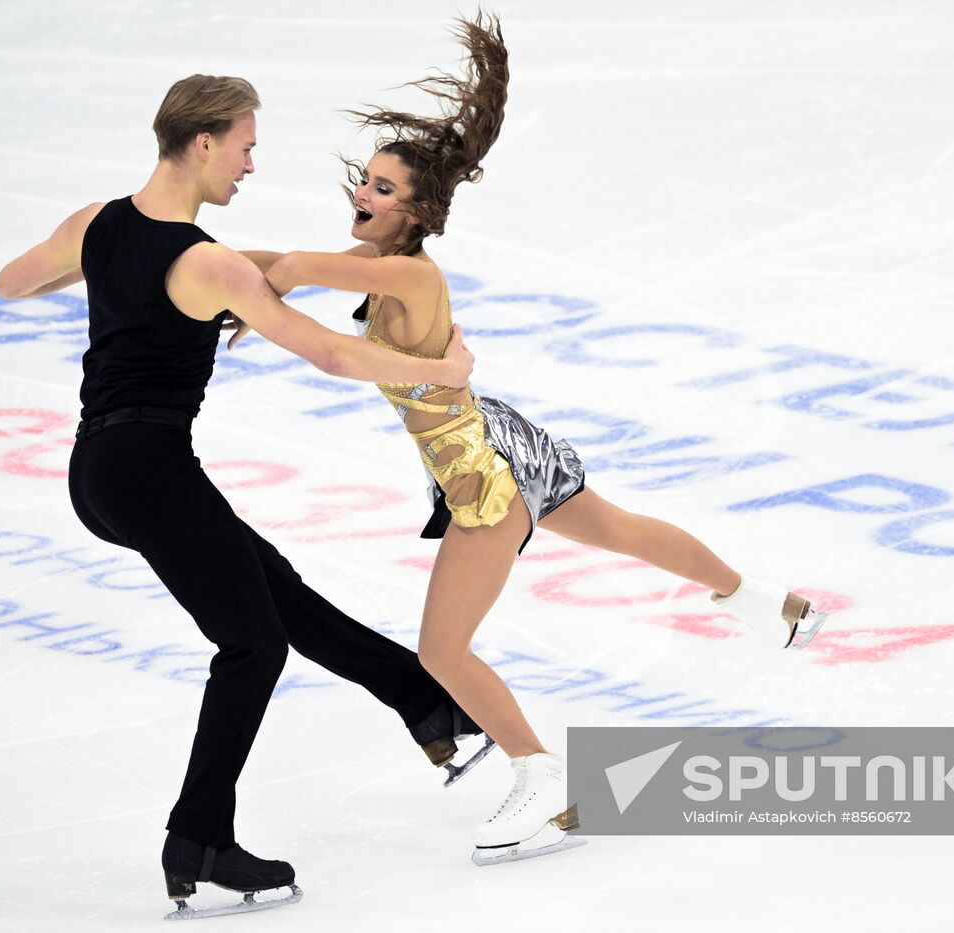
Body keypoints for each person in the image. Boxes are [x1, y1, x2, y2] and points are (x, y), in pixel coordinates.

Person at [231, 12, 830, 866]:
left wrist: (248, 283)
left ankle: (541, 779)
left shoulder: (403, 270)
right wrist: (156, 252)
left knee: (440, 649)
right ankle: (763, 597)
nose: (364, 194)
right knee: (619, 529)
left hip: (484, 481)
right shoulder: (386, 265)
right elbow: (278, 262)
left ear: (421, 208)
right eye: (366, 181)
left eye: (384, 189)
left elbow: (291, 271)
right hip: (504, 438)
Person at [0, 74, 492, 917]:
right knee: (253, 645)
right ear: (202, 144)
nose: (251, 164)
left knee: (272, 588)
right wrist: (439, 369)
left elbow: (13, 281)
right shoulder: (208, 262)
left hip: (101, 468)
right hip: (148, 467)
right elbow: (332, 353)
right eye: (246, 145)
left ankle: (422, 699)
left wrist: (101, 279)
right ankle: (199, 838)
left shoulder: (95, 224)